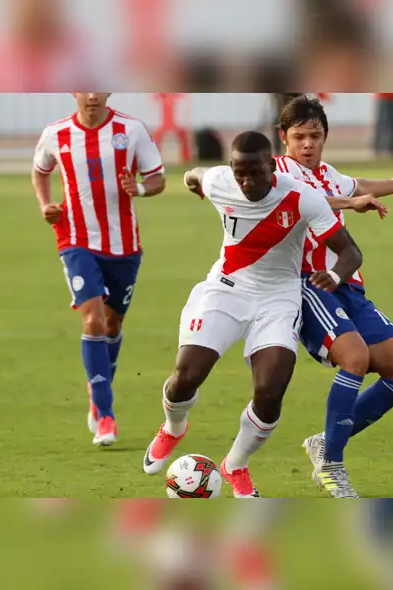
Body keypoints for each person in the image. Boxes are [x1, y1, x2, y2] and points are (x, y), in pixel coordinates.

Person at [141, 131, 364, 498]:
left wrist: (336, 275)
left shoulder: (301, 197)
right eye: (240, 173)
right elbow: (196, 174)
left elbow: (350, 252)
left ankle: (236, 464)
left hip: (279, 298)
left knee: (270, 388)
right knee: (186, 376)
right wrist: (190, 182)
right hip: (226, 289)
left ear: (271, 166)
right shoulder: (220, 182)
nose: (248, 183)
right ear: (231, 168)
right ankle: (172, 427)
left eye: (257, 173)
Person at [274, 95, 393, 498]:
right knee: (355, 359)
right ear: (283, 137)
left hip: (348, 284)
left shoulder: (327, 174)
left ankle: (324, 442)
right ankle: (332, 467)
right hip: (308, 284)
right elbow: (307, 203)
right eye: (300, 136)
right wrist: (350, 202)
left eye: (315, 136)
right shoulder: (276, 174)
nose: (308, 144)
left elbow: (358, 185)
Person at [32, 93, 167, 446]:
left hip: (124, 247)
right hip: (75, 239)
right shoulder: (56, 133)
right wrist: (46, 205)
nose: (91, 94)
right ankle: (105, 414)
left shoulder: (131, 130)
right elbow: (40, 170)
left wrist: (136, 188)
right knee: (92, 320)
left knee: (113, 324)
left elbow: (158, 179)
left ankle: (100, 386)